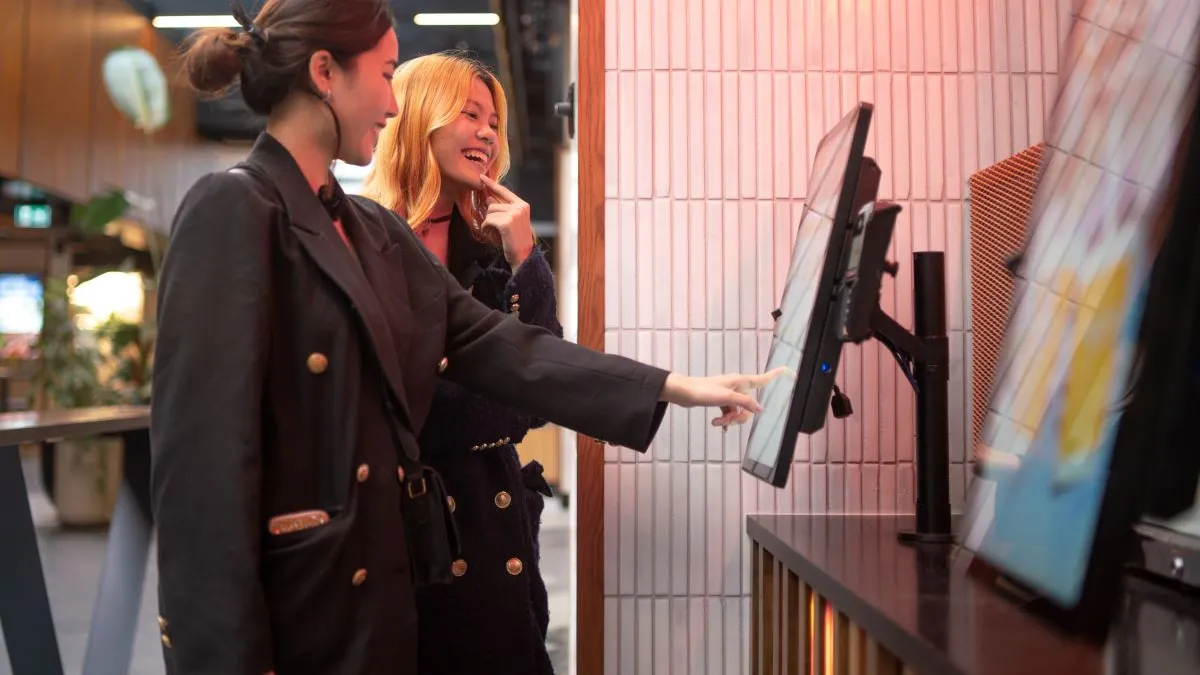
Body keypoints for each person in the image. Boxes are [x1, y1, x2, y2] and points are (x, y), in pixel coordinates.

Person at [149, 1, 775, 674]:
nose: (394, 104)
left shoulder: (372, 233)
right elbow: (200, 482)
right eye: (387, 75)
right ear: (325, 72)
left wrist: (671, 386)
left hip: (386, 612)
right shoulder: (234, 209)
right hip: (304, 617)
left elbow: (509, 348)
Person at [361, 51, 560, 674]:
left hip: (495, 529)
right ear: (419, 118)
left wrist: (527, 253)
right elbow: (408, 409)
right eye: (469, 114)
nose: (487, 133)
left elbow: (542, 371)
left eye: (494, 122)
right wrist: (505, 401)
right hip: (412, 536)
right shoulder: (366, 237)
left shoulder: (489, 248)